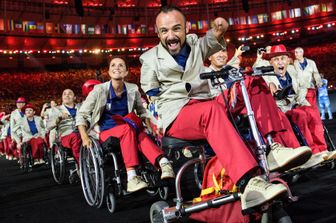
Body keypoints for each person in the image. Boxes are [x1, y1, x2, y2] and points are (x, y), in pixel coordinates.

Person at [140, 5, 308, 213]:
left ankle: (273, 148)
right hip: (177, 114)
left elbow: (211, 40)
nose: (171, 35)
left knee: (250, 82)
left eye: (176, 29)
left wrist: (219, 31)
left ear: (186, 28)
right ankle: (248, 182)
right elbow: (152, 96)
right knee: (210, 110)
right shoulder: (148, 59)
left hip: (206, 104)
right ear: (157, 33)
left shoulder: (194, 43)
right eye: (164, 31)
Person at [76, 57, 175, 193]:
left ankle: (163, 163)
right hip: (106, 133)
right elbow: (81, 114)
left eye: (121, 65)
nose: (117, 67)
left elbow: (142, 111)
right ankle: (131, 177)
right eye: (113, 65)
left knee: (140, 133)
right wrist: (84, 137)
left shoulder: (132, 89)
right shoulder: (99, 90)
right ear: (109, 71)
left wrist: (151, 125)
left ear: (126, 72)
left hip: (128, 130)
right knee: (129, 129)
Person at [206, 48, 311, 157]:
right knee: (251, 82)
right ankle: (272, 148)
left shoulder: (230, 71)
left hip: (242, 104)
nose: (221, 54)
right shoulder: (204, 73)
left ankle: (292, 150)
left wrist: (268, 83)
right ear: (209, 57)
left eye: (223, 51)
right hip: (221, 108)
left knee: (276, 112)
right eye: (217, 51)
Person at [263, 44, 336, 167]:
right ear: (271, 62)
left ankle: (322, 150)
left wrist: (304, 103)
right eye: (276, 59)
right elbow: (259, 70)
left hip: (295, 104)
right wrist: (270, 86)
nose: (280, 62)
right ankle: (312, 151)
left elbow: (301, 89)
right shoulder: (267, 76)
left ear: (288, 60)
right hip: (281, 108)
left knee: (313, 112)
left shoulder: (292, 71)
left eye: (282, 58)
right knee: (300, 114)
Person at [47, 89, 82, 165]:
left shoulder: (81, 107)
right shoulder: (56, 110)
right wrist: (59, 118)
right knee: (75, 136)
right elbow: (48, 126)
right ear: (62, 97)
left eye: (69, 94)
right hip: (66, 135)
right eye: (64, 94)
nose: (67, 95)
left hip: (82, 132)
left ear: (74, 97)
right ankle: (82, 166)